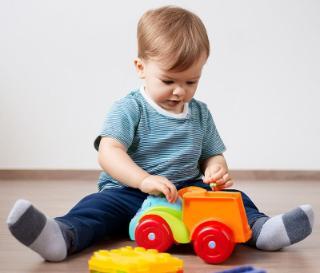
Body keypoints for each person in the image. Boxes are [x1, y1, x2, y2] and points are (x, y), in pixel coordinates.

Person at [6, 5, 314, 262]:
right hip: (128, 191)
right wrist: (143, 180)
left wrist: (215, 169)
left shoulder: (200, 113)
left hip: (188, 193)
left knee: (235, 198)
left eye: (191, 82)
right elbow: (109, 152)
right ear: (141, 67)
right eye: (168, 81)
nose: (180, 91)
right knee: (96, 209)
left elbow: (212, 154)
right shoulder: (130, 109)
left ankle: (261, 229)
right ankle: (63, 235)